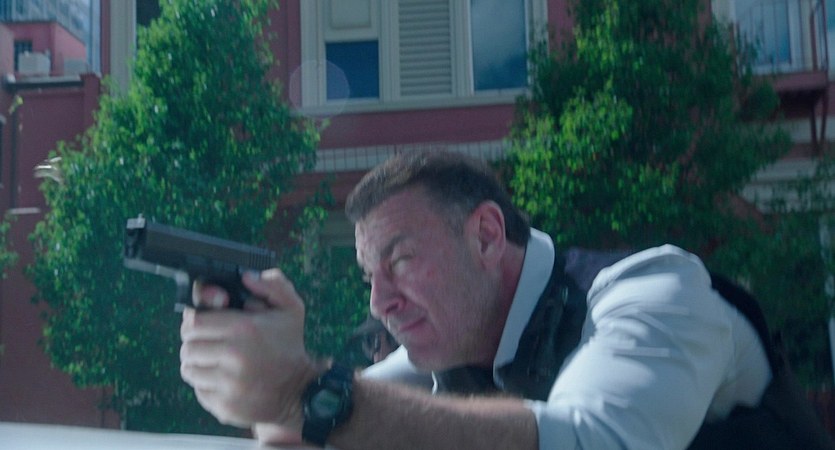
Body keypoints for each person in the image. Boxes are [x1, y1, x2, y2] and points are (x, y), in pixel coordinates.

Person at [179, 150, 831, 449]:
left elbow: (594, 444)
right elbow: (311, 427)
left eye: (400, 261)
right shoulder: (450, 346)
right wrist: (258, 356)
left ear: (487, 236)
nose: (379, 302)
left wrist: (303, 392)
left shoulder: (654, 292)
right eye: (368, 274)